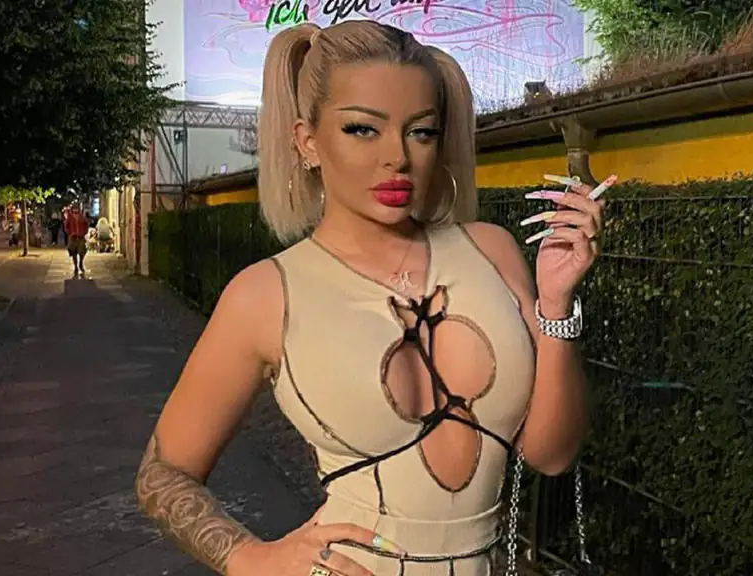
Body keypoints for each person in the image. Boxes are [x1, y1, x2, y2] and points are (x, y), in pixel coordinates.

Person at [134, 21, 604, 576]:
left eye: (421, 132)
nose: (397, 157)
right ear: (307, 141)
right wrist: (249, 558)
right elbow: (161, 473)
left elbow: (551, 453)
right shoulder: (265, 295)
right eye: (362, 129)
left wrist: (556, 305)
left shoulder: (491, 251)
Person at [64, 205, 89, 276]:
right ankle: (75, 266)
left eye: (77, 211)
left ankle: (80, 262)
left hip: (80, 237)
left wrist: (84, 232)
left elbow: (86, 225)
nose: (75, 213)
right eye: (74, 212)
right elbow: (66, 226)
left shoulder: (82, 218)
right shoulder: (70, 218)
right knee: (73, 252)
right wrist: (70, 233)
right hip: (73, 238)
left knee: (82, 251)